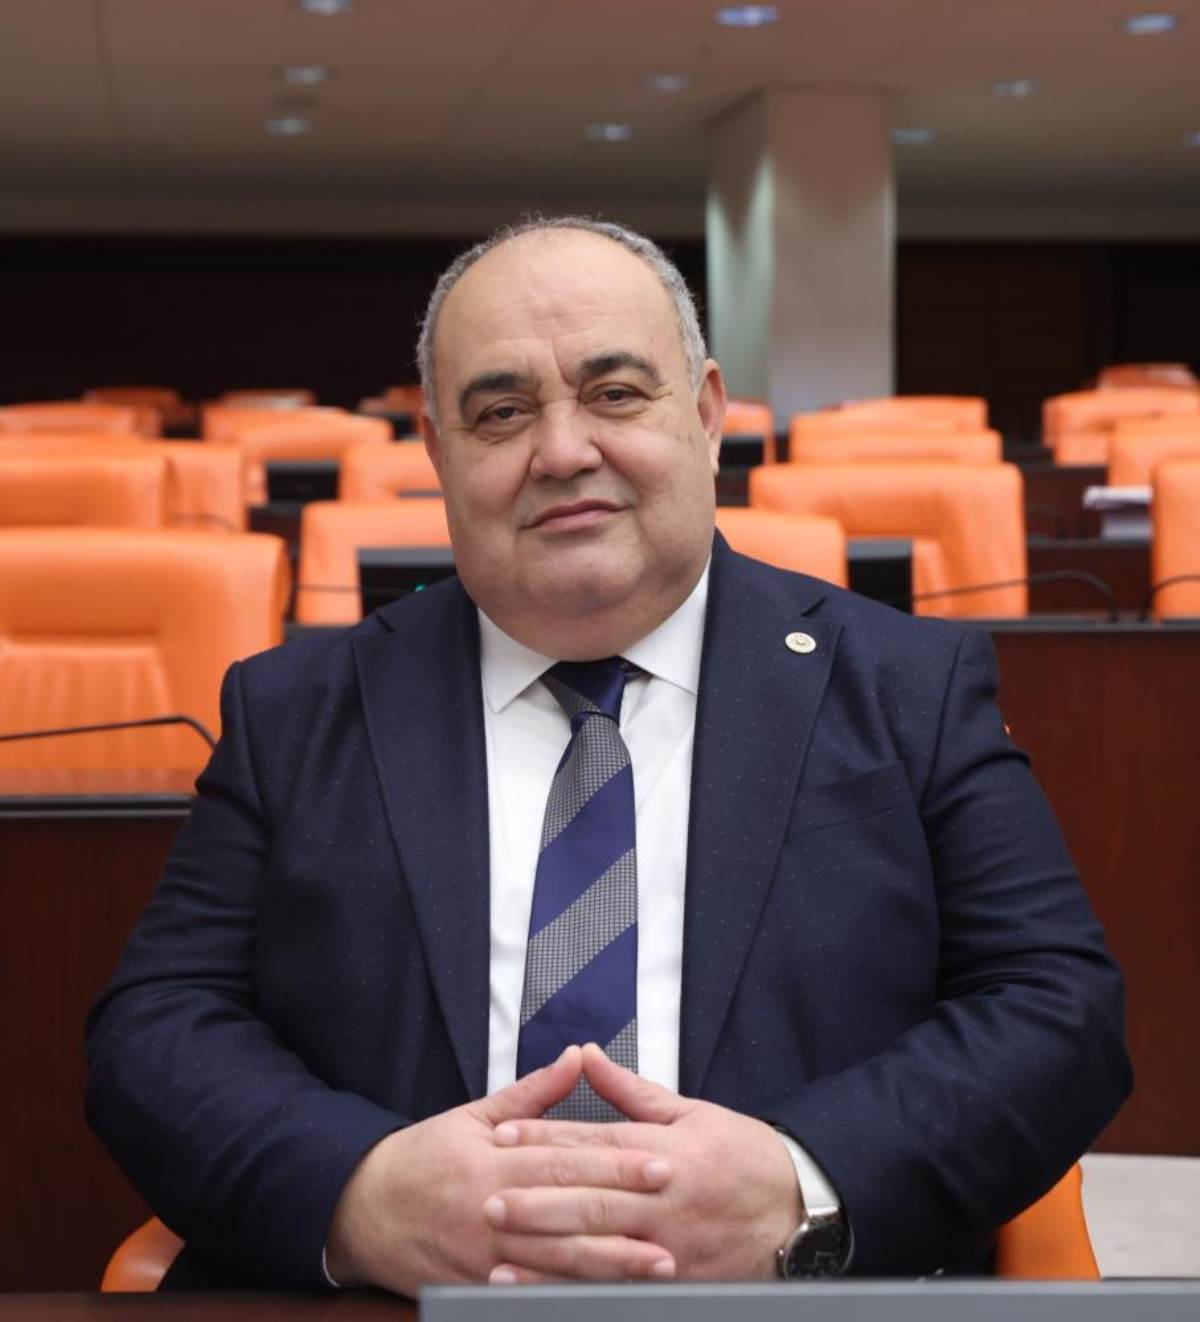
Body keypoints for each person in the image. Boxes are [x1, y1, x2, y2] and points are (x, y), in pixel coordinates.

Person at [86, 216, 1130, 1294]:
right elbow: (156, 1029)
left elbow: (1057, 1005)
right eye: (502, 412)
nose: (563, 451)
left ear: (707, 414)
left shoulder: (909, 686)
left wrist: (800, 1187)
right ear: (440, 454)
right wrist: (364, 1192)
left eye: (616, 393)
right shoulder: (295, 710)